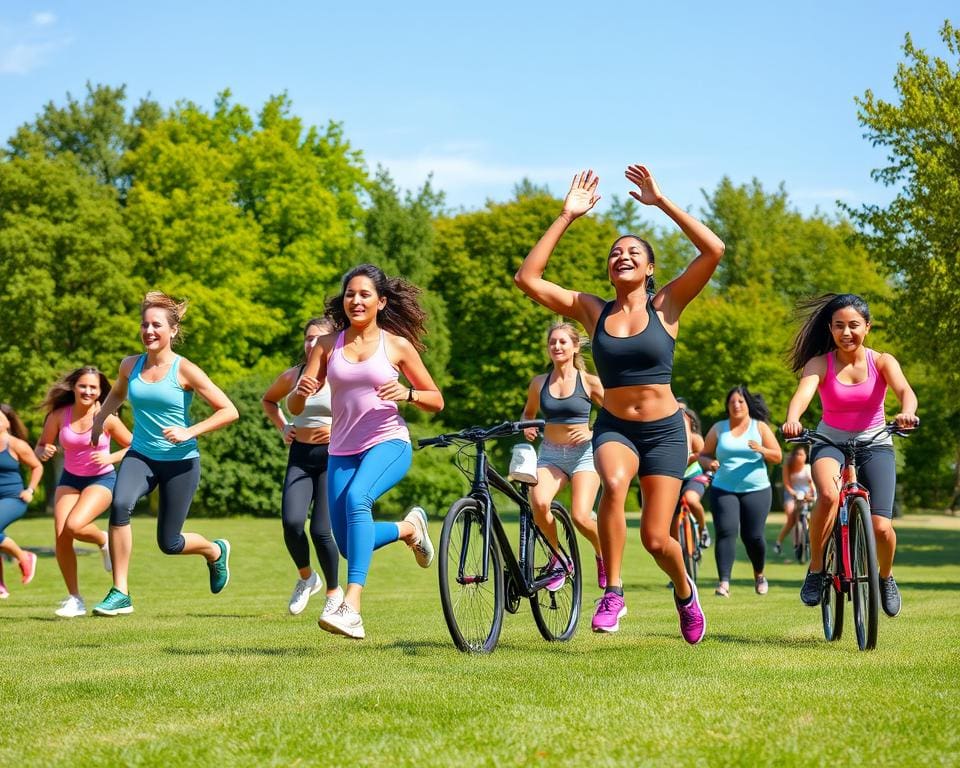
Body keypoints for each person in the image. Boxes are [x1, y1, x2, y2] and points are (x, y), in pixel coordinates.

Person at [515, 166, 724, 644]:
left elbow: (714, 250)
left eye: (633, 252)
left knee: (656, 539)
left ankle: (685, 591)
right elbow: (528, 278)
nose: (622, 255)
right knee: (611, 483)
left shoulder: (667, 304)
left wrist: (662, 202)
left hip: (665, 432)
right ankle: (613, 590)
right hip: (614, 428)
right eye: (615, 253)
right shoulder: (593, 311)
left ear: (650, 269)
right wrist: (567, 215)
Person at [288, 264, 444, 640]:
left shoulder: (396, 345)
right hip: (341, 451)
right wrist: (301, 392)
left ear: (381, 301)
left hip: (388, 443)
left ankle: (352, 607)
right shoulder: (328, 346)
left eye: (364, 294)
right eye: (350, 294)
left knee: (360, 499)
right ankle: (409, 528)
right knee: (346, 544)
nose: (355, 300)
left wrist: (407, 394)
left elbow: (435, 400)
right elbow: (294, 408)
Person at [89, 291, 240, 616]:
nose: (149, 331)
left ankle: (215, 551)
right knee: (120, 505)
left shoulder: (186, 370)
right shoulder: (130, 365)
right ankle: (120, 592)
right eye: (144, 325)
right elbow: (117, 392)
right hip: (141, 455)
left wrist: (190, 431)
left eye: (156, 325)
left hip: (181, 463)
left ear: (172, 331)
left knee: (169, 543)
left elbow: (229, 410)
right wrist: (100, 418)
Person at [782, 293, 918, 617]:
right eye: (839, 326)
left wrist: (907, 413)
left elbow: (905, 392)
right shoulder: (820, 363)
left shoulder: (882, 361)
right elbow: (802, 395)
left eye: (854, 325)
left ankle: (885, 578)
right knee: (828, 496)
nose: (846, 333)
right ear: (830, 329)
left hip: (875, 442)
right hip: (830, 441)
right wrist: (793, 419)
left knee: (882, 527)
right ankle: (816, 569)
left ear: (867, 327)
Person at [35, 367, 132, 617]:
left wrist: (110, 456)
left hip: (101, 478)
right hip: (70, 479)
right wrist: (42, 452)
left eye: (93, 387)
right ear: (74, 387)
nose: (88, 391)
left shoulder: (107, 416)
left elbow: (134, 446)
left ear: (100, 392)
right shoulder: (59, 415)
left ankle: (103, 539)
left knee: (75, 525)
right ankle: (75, 599)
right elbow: (41, 445)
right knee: (61, 535)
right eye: (83, 386)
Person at [262, 317, 341, 617]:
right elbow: (269, 401)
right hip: (301, 455)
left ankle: (334, 592)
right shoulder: (294, 376)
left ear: (331, 342)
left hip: (333, 457)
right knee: (292, 524)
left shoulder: (342, 376)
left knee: (322, 530)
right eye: (307, 338)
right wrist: (283, 427)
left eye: (318, 339)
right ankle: (308, 577)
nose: (311, 344)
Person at [520, 322, 605, 589]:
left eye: (562, 342)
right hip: (551, 455)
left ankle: (603, 554)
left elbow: (617, 414)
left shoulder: (590, 383)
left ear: (575, 346)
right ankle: (559, 558)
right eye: (552, 342)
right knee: (539, 504)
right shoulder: (539, 383)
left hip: (584, 456)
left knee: (581, 516)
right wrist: (529, 425)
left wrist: (593, 432)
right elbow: (528, 414)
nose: (556, 346)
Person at [699, 386, 781, 597]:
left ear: (747, 405)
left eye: (741, 402)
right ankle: (724, 582)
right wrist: (710, 463)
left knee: (752, 536)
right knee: (726, 531)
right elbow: (703, 455)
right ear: (727, 406)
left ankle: (759, 574)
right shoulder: (719, 428)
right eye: (732, 402)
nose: (736, 405)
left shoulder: (760, 427)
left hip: (757, 489)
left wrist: (762, 450)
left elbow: (777, 456)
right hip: (723, 488)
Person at [0, 403, 42, 598]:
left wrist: (30, 490)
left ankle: (23, 557)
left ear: (7, 422)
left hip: (14, 498)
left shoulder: (16, 444)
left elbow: (37, 466)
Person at [676, 401, 712, 549]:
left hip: (693, 477)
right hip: (674, 480)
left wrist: (707, 466)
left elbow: (705, 458)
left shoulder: (696, 438)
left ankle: (703, 529)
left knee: (690, 499)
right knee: (670, 525)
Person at [773, 445, 815, 556]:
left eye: (801, 454)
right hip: (791, 494)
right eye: (796, 454)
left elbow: (811, 485)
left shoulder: (808, 468)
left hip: (806, 495)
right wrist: (794, 494)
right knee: (791, 518)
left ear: (805, 456)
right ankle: (779, 543)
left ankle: (808, 542)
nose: (799, 457)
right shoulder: (788, 467)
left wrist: (811, 494)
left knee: (811, 517)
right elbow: (786, 483)